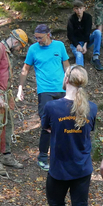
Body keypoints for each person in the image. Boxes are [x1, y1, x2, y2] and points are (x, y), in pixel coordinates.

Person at [42, 66, 98, 206]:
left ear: (66, 80)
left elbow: (47, 128)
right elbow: (89, 130)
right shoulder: (92, 107)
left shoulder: (52, 107)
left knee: (56, 202)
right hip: (82, 167)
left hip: (60, 167)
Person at [17, 24, 71, 171]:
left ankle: (60, 156)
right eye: (36, 38)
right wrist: (20, 88)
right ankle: (42, 158)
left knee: (63, 123)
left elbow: (67, 66)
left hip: (61, 90)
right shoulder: (33, 49)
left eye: (40, 37)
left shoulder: (59, 46)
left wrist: (70, 83)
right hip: (45, 91)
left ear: (48, 35)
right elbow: (25, 70)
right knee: (47, 125)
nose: (38, 40)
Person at [0, 29, 29, 177]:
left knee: (8, 126)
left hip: (6, 94)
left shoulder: (7, 51)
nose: (19, 49)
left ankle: (6, 155)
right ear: (16, 42)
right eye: (20, 47)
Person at [66, 0, 102, 70]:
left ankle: (95, 57)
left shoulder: (88, 17)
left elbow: (87, 32)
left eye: (80, 8)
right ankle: (80, 72)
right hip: (76, 43)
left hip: (86, 41)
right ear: (74, 9)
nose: (79, 11)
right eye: (77, 9)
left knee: (98, 32)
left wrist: (85, 45)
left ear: (84, 8)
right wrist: (77, 45)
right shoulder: (71, 19)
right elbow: (70, 35)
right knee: (79, 55)